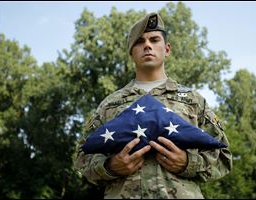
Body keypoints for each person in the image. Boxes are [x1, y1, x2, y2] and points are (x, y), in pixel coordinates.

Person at [74, 12, 232, 199]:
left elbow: (223, 156)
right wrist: (110, 166)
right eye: (140, 42)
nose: (147, 45)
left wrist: (188, 163)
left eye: (154, 39)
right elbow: (82, 157)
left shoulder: (193, 100)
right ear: (131, 52)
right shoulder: (109, 104)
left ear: (167, 49)